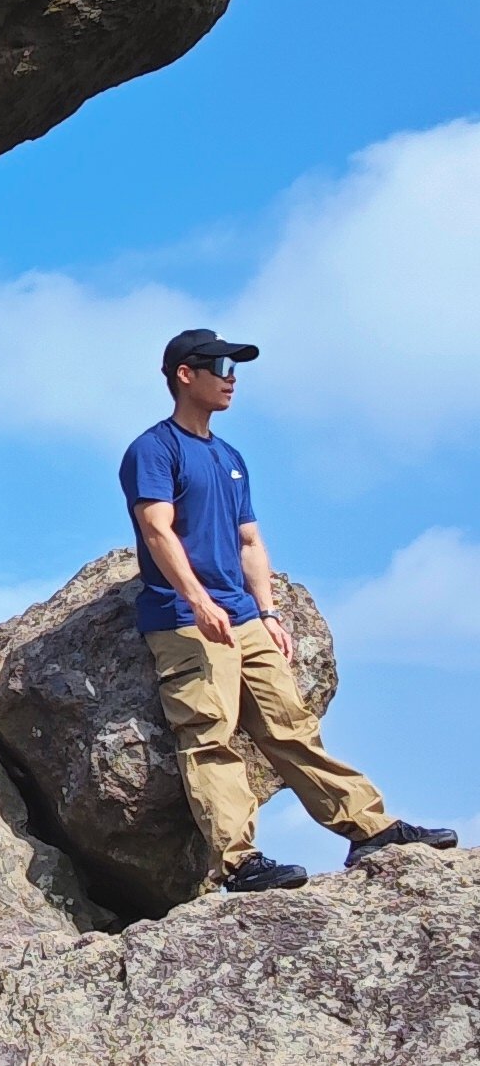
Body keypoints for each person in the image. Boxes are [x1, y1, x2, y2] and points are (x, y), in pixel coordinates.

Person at [119, 329, 458, 894]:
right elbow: (157, 529)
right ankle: (238, 863)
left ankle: (370, 826)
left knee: (293, 729)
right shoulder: (154, 449)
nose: (232, 376)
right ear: (184, 374)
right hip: (184, 621)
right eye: (221, 365)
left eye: (235, 367)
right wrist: (198, 600)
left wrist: (270, 613)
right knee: (208, 735)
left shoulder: (229, 457)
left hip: (244, 620)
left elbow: (250, 541)